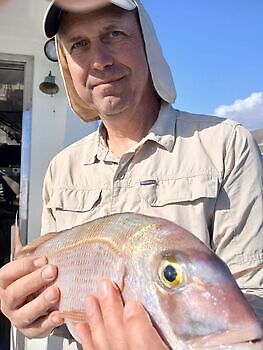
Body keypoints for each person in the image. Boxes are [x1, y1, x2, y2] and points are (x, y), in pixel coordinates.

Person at [0, 0, 262, 349]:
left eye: (114, 33)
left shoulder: (227, 144)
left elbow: (251, 305)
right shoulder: (62, 169)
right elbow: (60, 309)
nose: (99, 60)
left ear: (148, 43)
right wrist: (31, 313)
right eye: (78, 44)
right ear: (67, 65)